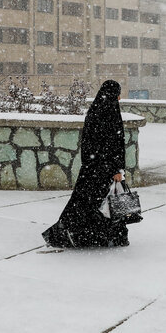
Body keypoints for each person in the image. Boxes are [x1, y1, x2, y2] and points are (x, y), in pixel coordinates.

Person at [42, 79, 130, 248]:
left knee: (88, 203)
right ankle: (104, 236)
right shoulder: (108, 113)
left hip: (93, 169)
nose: (119, 99)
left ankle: (85, 235)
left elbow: (92, 145)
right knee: (107, 203)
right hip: (105, 169)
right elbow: (110, 145)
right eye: (118, 94)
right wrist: (115, 169)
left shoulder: (95, 111)